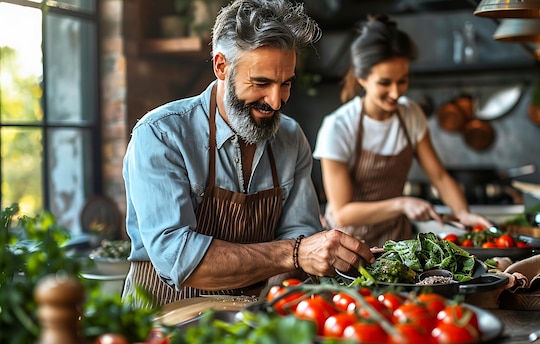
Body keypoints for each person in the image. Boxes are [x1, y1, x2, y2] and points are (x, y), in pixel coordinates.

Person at [121, 0, 374, 308]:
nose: (276, 101)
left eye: (286, 84)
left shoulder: (291, 138)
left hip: (247, 320)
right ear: (221, 66)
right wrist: (293, 253)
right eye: (261, 83)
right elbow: (180, 258)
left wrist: (275, 309)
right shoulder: (162, 134)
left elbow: (302, 241)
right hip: (161, 320)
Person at [313, 14, 492, 248]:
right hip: (349, 245)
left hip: (398, 243)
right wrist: (402, 204)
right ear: (362, 79)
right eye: (385, 83)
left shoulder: (410, 114)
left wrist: (462, 213)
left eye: (403, 80)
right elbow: (344, 212)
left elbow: (439, 176)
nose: (396, 92)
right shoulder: (338, 126)